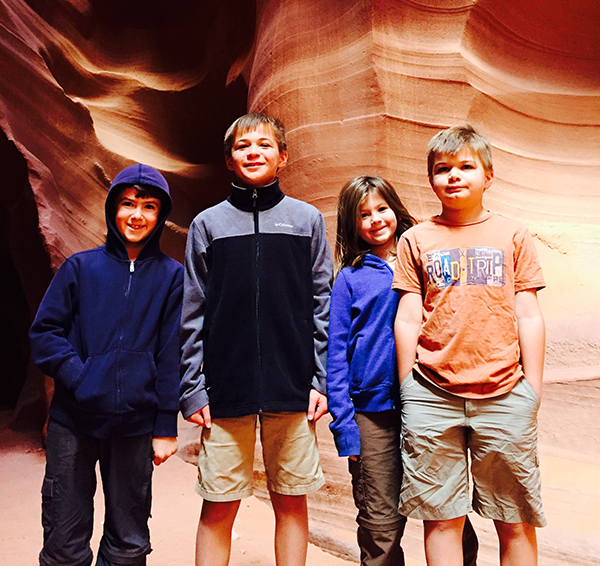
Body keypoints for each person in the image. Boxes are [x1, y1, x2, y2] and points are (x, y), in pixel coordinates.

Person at [180, 112, 333, 566]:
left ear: (282, 157)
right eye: (243, 147)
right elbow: (192, 312)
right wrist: (193, 386)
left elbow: (322, 302)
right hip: (226, 388)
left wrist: (320, 380)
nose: (253, 153)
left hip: (293, 385)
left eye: (265, 145)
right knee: (220, 503)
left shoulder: (306, 220)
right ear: (229, 161)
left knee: (291, 499)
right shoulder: (207, 225)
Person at [393, 125, 547, 566]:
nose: (454, 176)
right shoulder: (416, 239)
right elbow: (408, 316)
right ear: (431, 178)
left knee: (514, 518)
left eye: (466, 166)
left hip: (505, 392)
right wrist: (408, 386)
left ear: (489, 175)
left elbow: (529, 313)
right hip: (431, 392)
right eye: (443, 169)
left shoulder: (513, 234)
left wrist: (531, 390)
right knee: (441, 517)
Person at [29, 164, 183, 566]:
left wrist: (166, 425)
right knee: (64, 537)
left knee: (129, 542)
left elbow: (171, 354)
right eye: (128, 203)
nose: (137, 215)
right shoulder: (80, 268)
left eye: (149, 206)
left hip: (135, 424)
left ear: (160, 215)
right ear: (112, 207)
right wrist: (80, 378)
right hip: (73, 421)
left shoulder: (172, 277)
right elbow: (45, 333)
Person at [327, 175, 479, 566]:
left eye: (382, 208)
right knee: (380, 528)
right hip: (373, 415)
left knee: (449, 516)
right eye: (364, 214)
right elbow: (337, 354)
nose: (376, 219)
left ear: (396, 209)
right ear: (352, 224)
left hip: (431, 407)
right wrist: (345, 427)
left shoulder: (428, 258)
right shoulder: (350, 278)